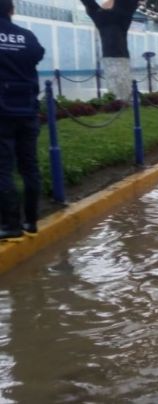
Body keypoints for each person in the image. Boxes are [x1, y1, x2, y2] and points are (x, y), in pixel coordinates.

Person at [0, 0, 45, 242]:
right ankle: (31, 220)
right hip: (27, 110)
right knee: (29, 167)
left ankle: (10, 224)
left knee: (2, 169)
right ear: (11, 11)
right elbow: (37, 55)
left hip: (1, 113)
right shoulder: (27, 36)